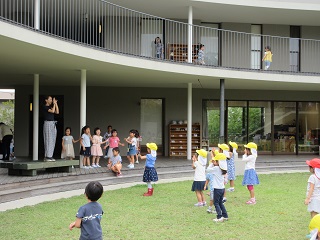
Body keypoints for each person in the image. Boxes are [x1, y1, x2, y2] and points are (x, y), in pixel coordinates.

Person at [207, 152, 229, 222]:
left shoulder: (216, 168)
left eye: (215, 161)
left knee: (216, 203)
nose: (214, 162)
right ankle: (225, 215)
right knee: (220, 203)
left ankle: (219, 217)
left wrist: (211, 163)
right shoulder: (223, 169)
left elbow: (207, 170)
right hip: (222, 188)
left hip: (217, 189)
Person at [43, 96, 59, 161]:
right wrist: (54, 104)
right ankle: (47, 156)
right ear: (46, 100)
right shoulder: (45, 107)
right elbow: (52, 111)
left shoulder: (50, 106)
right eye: (50, 99)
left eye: (52, 99)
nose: (51, 100)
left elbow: (57, 112)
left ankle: (50, 155)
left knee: (52, 139)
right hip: (48, 123)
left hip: (52, 123)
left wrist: (56, 104)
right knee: (48, 139)